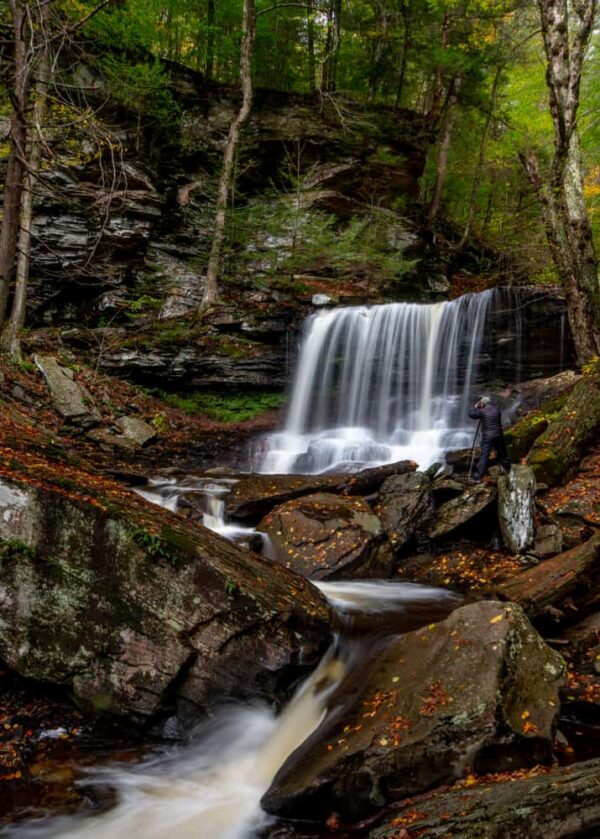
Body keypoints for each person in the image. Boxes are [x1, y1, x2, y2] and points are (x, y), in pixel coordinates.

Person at [469, 395, 511, 481]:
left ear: (482, 404)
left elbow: (471, 414)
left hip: (488, 437)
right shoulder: (497, 409)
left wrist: (476, 407)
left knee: (484, 456)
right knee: (503, 454)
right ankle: (508, 470)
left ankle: (478, 476)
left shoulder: (482, 411)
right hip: (499, 435)